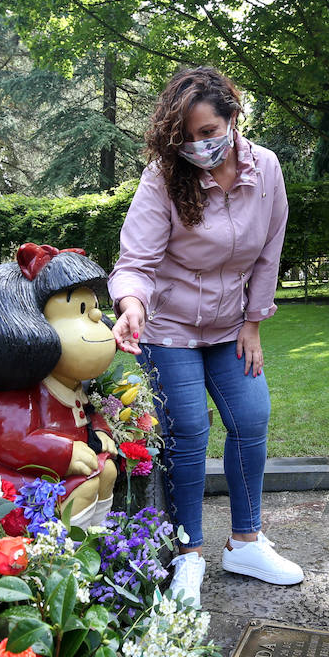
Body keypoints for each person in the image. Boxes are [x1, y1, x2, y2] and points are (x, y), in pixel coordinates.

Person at [108, 65, 302, 610]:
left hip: (229, 327)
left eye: (209, 131)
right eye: (189, 137)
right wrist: (130, 305)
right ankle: (186, 553)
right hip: (168, 327)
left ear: (232, 117)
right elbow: (137, 260)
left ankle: (245, 542)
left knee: (251, 416)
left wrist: (253, 323)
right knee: (188, 429)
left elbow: (268, 253)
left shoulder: (265, 169)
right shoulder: (163, 177)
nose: (200, 145)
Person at [0, 244, 119, 527]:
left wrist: (99, 430)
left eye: (94, 307)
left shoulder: (68, 385)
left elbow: (87, 414)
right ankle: (65, 552)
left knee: (106, 471)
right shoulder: (14, 394)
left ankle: (96, 539)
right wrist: (65, 452)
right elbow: (14, 442)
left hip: (47, 472)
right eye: (82, 309)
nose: (98, 317)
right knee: (83, 485)